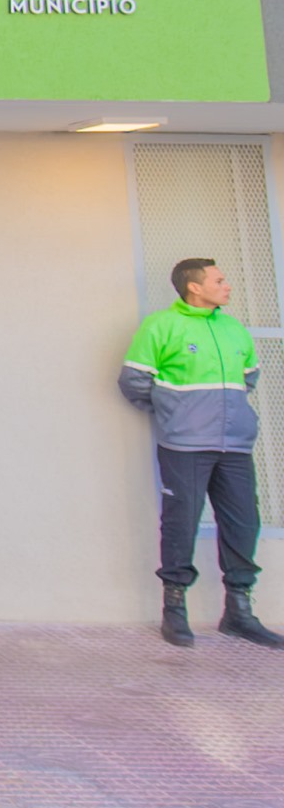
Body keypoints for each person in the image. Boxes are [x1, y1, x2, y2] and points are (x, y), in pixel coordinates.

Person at [120, 258, 284, 649]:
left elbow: (249, 378)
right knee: (182, 523)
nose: (227, 286)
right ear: (194, 287)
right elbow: (133, 381)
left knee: (244, 524)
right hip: (185, 446)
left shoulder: (233, 329)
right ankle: (174, 610)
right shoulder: (161, 326)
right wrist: (177, 416)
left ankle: (238, 613)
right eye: (219, 280)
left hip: (235, 446)